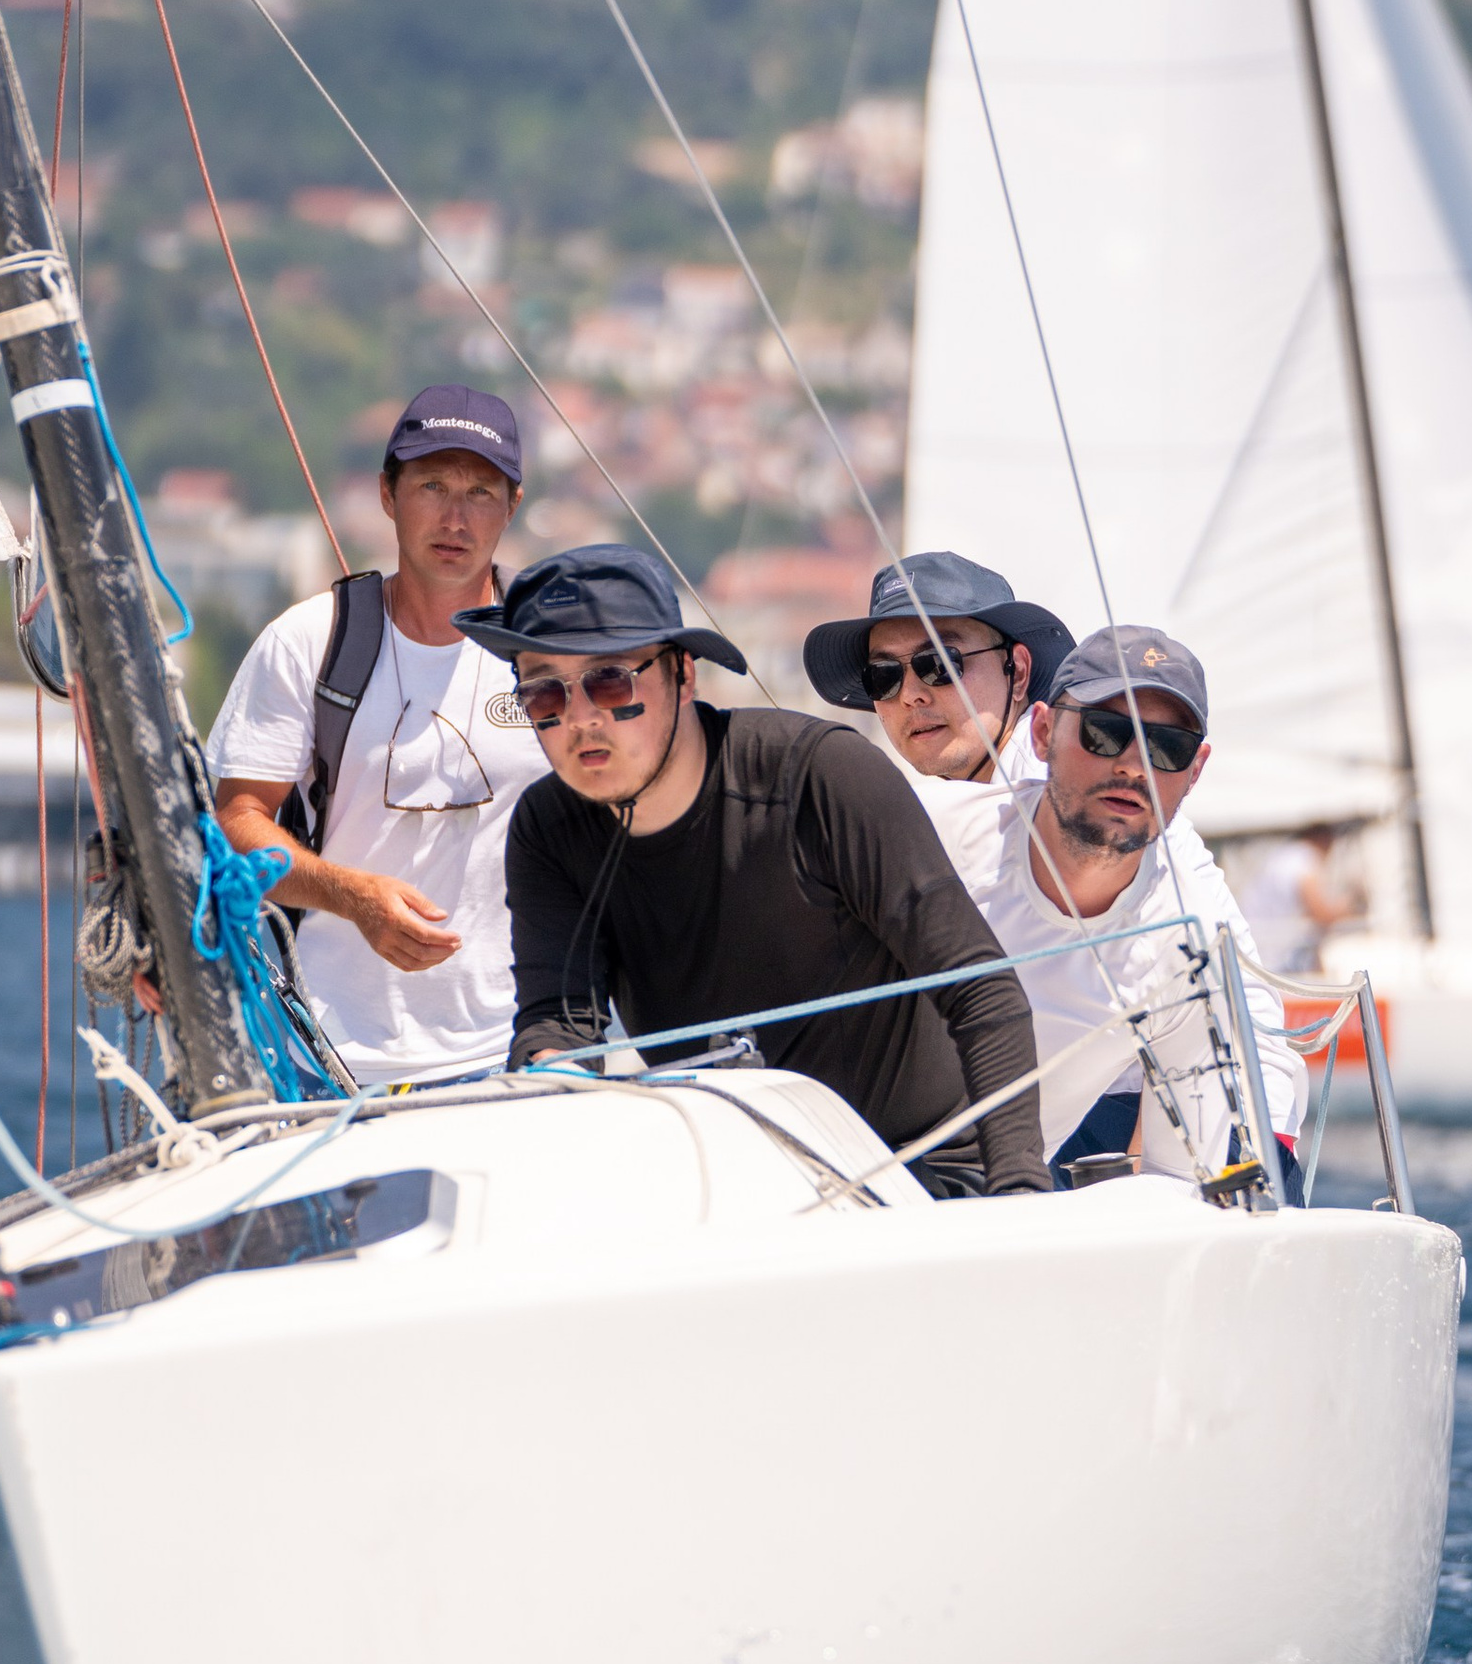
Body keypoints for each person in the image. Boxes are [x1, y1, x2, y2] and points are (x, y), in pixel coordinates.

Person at [462, 543, 1050, 1197]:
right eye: (544, 693)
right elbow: (559, 1023)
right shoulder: (549, 827)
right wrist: (552, 1070)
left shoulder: (821, 775)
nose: (580, 719)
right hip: (732, 1179)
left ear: (682, 675)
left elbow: (981, 992)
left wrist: (1019, 1196)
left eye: (610, 681)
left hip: (914, 1167)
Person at [208, 386, 544, 1084]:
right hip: (326, 1055)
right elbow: (235, 822)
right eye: (432, 486)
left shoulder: (553, 647)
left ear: (512, 506)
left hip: (516, 1048)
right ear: (388, 494)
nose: (455, 518)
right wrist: (350, 895)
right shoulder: (309, 641)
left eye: (481, 493)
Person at [923, 623, 1309, 1195]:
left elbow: (1177, 1180)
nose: (1133, 766)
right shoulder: (928, 836)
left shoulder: (1189, 944)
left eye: (1167, 748)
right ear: (1043, 733)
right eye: (1105, 733)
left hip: (981, 1205)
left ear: (1195, 771)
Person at [802, 551, 1072, 791]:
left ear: (1018, 672)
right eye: (883, 675)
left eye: (940, 663)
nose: (910, 696)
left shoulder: (1053, 788)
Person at [1236, 825, 1363, 978]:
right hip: (1276, 959)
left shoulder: (1283, 857)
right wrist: (1350, 907)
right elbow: (1322, 914)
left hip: (1259, 952)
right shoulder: (1303, 858)